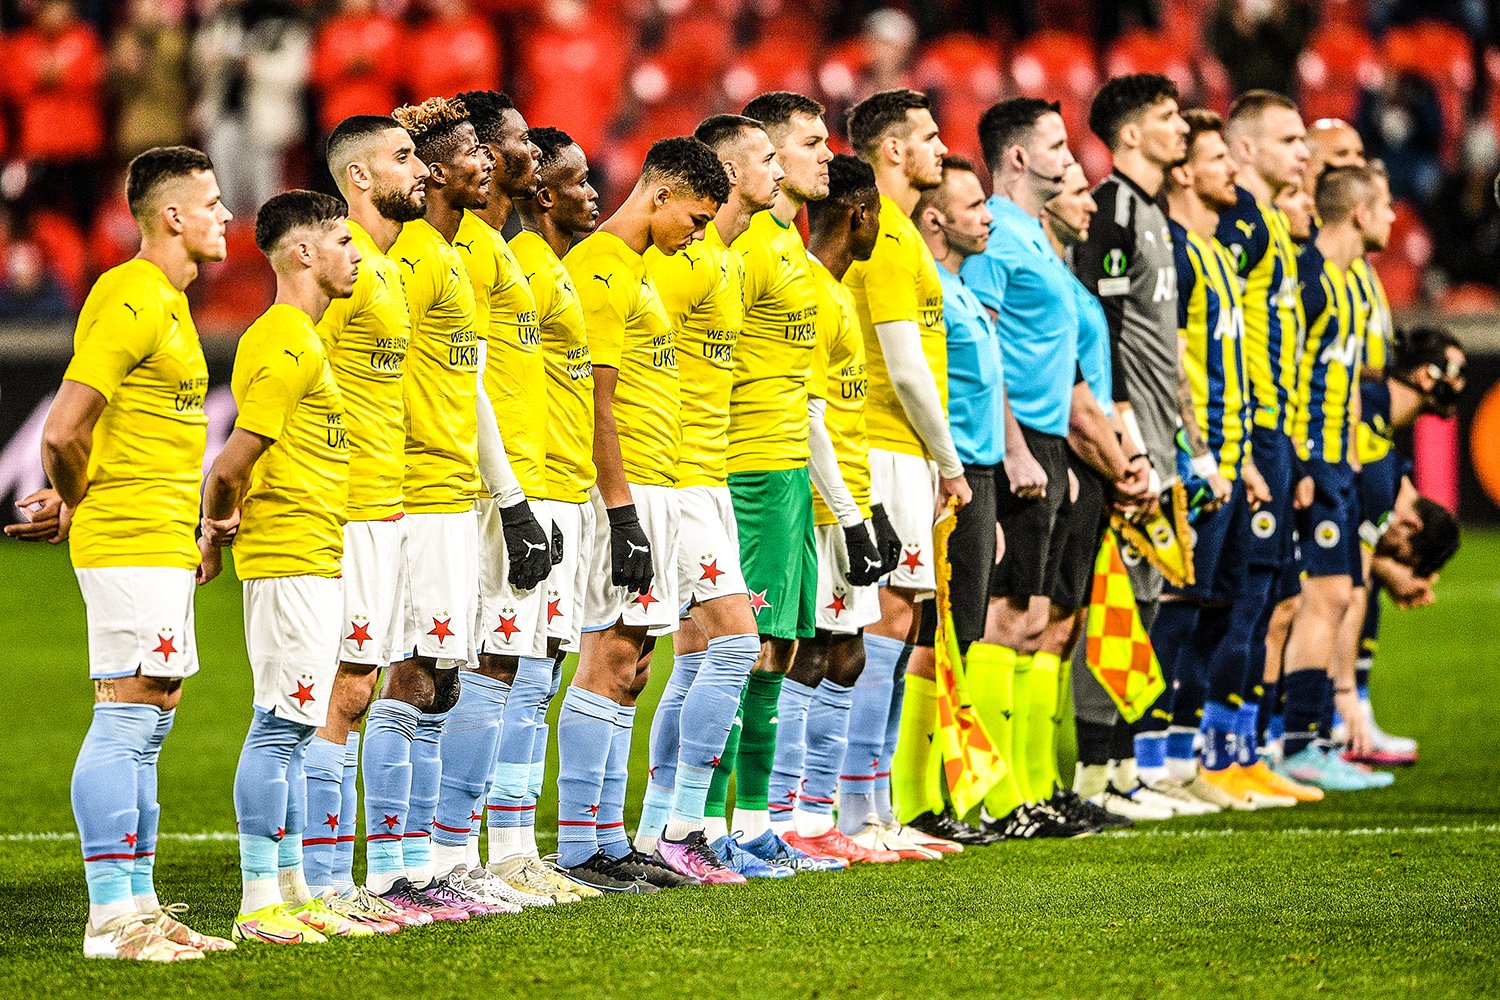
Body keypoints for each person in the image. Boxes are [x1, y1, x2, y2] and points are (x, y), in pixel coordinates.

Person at [44, 145, 232, 961]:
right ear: (173, 217)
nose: (228, 216)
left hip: (158, 537)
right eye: (214, 202)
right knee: (125, 718)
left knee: (150, 718)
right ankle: (109, 919)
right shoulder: (129, 297)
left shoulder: (166, 301)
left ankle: (142, 907)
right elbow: (63, 428)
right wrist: (80, 493)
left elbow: (109, 431)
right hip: (127, 536)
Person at [555, 136, 726, 892]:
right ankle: (576, 847)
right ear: (659, 195)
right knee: (608, 657)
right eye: (694, 216)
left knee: (635, 667)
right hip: (622, 491)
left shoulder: (636, 270)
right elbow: (593, 403)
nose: (698, 233)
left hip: (656, 483)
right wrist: (621, 511)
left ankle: (609, 838)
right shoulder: (597, 271)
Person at [202, 189, 363, 944]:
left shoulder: (301, 337)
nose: (356, 252)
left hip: (312, 551)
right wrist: (217, 524)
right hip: (288, 555)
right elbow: (232, 460)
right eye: (342, 240)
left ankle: (295, 889)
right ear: (303, 252)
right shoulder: (288, 342)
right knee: (278, 726)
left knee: (299, 727)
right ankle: (258, 900)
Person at [701, 91, 855, 872]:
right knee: (744, 651)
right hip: (747, 468)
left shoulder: (791, 250)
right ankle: (701, 825)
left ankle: (755, 822)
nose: (826, 154)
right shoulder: (748, 248)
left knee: (784, 650)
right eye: (810, 143)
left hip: (788, 467)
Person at [360, 96, 498, 921]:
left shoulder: (450, 254)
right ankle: (389, 872)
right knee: (411, 672)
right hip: (413, 493)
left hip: (457, 491)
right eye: (470, 148)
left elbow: (464, 385)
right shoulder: (408, 256)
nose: (483, 158)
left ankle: (422, 864)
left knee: (443, 680)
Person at [633, 114, 780, 883]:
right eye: (766, 158)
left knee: (698, 652)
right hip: (675, 477)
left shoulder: (718, 258)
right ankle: (684, 826)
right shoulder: (677, 263)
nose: (780, 171)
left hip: (707, 477)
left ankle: (664, 825)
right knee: (731, 642)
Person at [1074, 75, 1221, 818]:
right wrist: (1126, 436)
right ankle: (1097, 773)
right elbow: (1101, 331)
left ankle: (1126, 766)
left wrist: (1191, 449)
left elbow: (1168, 347)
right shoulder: (1112, 212)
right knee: (1121, 601)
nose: (1180, 129)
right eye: (1167, 118)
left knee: (1154, 598)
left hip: (1164, 439)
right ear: (1130, 134)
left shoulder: (1157, 216)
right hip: (1129, 441)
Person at [429, 89, 562, 910]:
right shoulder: (467, 249)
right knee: (477, 662)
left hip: (527, 476)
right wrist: (509, 497)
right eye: (512, 140)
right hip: (485, 485)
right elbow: (468, 381)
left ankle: (500, 848)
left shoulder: (505, 247)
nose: (527, 154)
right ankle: (448, 853)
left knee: (516, 665)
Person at [1161, 109, 1312, 810]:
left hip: (1246, 442)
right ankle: (1166, 757)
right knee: (1192, 602)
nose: (1304, 157)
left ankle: (1220, 750)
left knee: (1242, 600)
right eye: (1292, 140)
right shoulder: (1222, 236)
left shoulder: (1234, 242)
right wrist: (1220, 447)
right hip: (1211, 448)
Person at [835, 88, 970, 859]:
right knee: (884, 622)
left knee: (902, 619)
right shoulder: (883, 236)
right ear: (892, 150)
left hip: (905, 450)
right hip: (886, 443)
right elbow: (907, 368)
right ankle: (856, 811)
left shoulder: (902, 237)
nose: (941, 147)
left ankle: (876, 807)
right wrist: (949, 462)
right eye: (927, 135)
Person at [303, 114, 429, 931]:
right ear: (358, 177)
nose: (418, 169)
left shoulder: (383, 267)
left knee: (366, 685)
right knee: (339, 691)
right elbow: (287, 372)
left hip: (388, 507)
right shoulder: (339, 269)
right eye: (403, 157)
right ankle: (315, 881)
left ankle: (341, 877)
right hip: (342, 510)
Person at [960, 97, 1090, 840]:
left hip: (1043, 441)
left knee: (1034, 616)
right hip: (1013, 441)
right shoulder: (1000, 238)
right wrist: (1014, 445)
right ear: (1017, 157)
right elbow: (986, 348)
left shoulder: (1032, 236)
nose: (1070, 158)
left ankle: (1023, 788)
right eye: (1057, 144)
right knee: (1008, 616)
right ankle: (995, 794)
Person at [501, 126, 604, 899]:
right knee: (510, 672)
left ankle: (517, 847)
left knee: (540, 671)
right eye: (576, 179)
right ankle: (496, 847)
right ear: (542, 194)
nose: (591, 191)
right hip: (535, 488)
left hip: (564, 488)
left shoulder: (551, 268)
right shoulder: (524, 266)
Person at [1278, 164, 1399, 793]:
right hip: (1308, 457)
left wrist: (1349, 447)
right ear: (1357, 212)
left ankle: (1312, 735)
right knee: (1317, 599)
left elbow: (1345, 377)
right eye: (1383, 206)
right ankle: (1297, 741)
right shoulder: (1311, 279)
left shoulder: (1352, 282)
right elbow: (1286, 367)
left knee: (1339, 596)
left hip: (1335, 460)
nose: (1393, 218)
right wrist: (1301, 459)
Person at [1039, 162, 1147, 827]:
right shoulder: (1048, 278)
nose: (1092, 203)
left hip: (1090, 461)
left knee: (1063, 625)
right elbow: (1072, 396)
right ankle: (1023, 787)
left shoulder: (1070, 282)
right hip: (1061, 458)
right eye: (1079, 191)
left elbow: (1098, 393)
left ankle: (1047, 783)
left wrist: (1124, 458)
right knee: (1034, 625)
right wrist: (1119, 459)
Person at [1215, 90, 1311, 792]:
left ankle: (1240, 750)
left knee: (1268, 592)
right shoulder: (1241, 224)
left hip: (1275, 435)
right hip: (1246, 432)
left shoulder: (1273, 225)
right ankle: (1217, 754)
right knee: (1242, 594)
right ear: (1245, 148)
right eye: (1288, 140)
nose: (1302, 153)